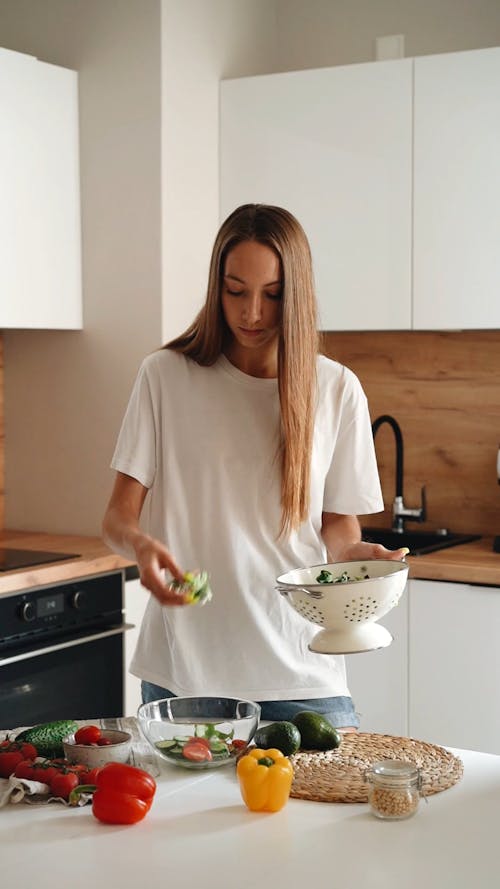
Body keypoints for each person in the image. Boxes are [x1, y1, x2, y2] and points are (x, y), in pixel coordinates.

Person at [102, 203, 407, 731]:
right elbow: (117, 519)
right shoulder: (165, 377)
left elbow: (336, 527)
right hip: (187, 680)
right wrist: (141, 545)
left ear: (298, 294)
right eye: (235, 291)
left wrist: (353, 555)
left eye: (273, 294)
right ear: (216, 287)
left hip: (302, 672)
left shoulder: (335, 389)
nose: (251, 314)